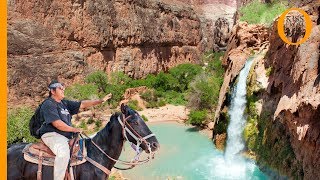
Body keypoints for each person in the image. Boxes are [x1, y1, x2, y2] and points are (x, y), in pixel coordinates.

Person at [38, 80, 112, 180]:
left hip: (65, 136)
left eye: (63, 87)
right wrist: (74, 129)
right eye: (60, 88)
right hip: (52, 134)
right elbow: (57, 124)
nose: (63, 89)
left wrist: (100, 101)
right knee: (63, 152)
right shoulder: (48, 104)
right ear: (52, 91)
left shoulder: (64, 103)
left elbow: (82, 104)